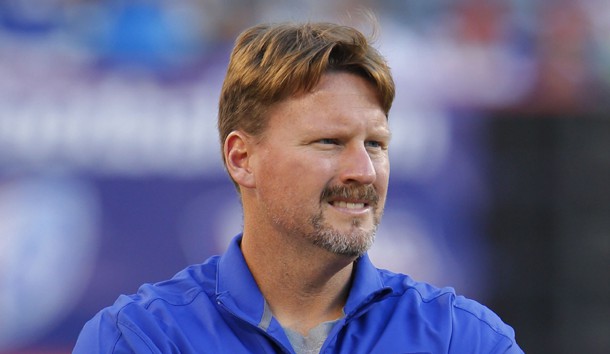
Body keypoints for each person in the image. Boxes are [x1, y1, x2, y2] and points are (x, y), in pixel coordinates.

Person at [74, 20, 523, 353]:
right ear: (241, 158)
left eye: (376, 144)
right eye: (329, 142)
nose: (363, 171)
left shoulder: (461, 338)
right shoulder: (140, 338)